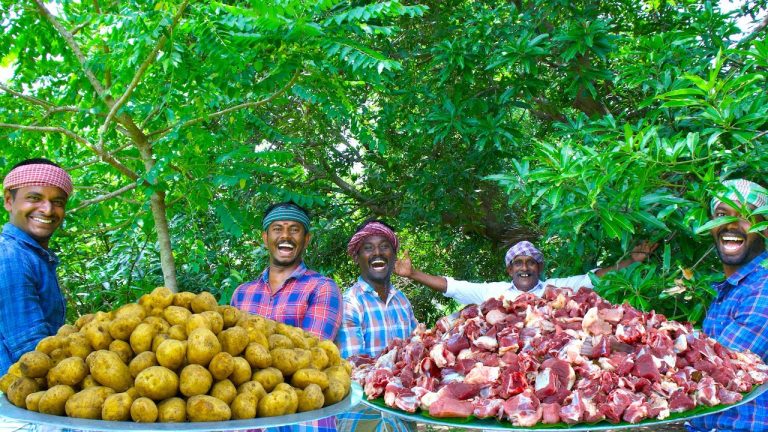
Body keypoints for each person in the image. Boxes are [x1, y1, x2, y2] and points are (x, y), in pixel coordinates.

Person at [230, 201, 342, 432]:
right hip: (246, 421)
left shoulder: (322, 288)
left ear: (306, 239)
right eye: (277, 229)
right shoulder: (241, 293)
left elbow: (313, 356)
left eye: (294, 229)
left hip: (305, 420)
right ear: (265, 238)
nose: (285, 236)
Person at [687, 179, 768, 432]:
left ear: (765, 228)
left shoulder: (764, 287)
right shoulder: (733, 288)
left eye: (745, 215)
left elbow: (719, 368)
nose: (731, 224)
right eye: (722, 214)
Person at [335, 220, 418, 432]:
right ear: (357, 257)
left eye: (384, 246)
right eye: (368, 248)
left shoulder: (402, 301)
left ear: (393, 255)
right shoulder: (350, 303)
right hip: (362, 411)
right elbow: (356, 370)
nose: (377, 253)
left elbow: (415, 355)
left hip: (401, 409)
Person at [395, 239, 658, 305]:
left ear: (539, 267)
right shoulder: (493, 292)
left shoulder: (557, 288)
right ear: (509, 269)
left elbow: (595, 279)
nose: (524, 268)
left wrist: (632, 261)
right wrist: (414, 273)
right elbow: (452, 286)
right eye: (518, 263)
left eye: (531, 262)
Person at [0, 158, 72, 375]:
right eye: (34, 198)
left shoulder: (34, 256)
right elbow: (31, 354)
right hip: (14, 390)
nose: (48, 210)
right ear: (9, 201)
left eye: (57, 202)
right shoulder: (11, 255)